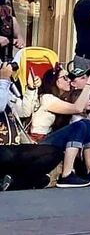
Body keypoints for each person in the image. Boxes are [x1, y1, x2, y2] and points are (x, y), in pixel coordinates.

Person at [29, 64, 90, 187]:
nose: (69, 80)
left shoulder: (63, 98)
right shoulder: (47, 98)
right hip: (38, 143)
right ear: (55, 81)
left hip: (50, 140)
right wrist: (89, 84)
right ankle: (66, 175)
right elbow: (78, 108)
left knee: (86, 123)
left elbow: (82, 114)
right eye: (65, 78)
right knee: (79, 126)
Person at [0, 62, 60, 190]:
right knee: (7, 155)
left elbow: (24, 111)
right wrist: (4, 80)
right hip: (2, 151)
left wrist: (31, 89)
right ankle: (27, 180)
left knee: (54, 152)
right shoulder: (3, 85)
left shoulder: (6, 89)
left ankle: (14, 182)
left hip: (13, 147)